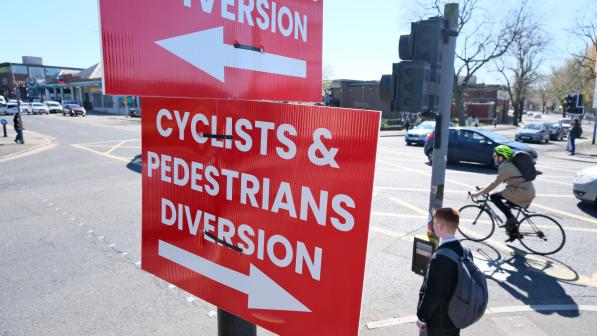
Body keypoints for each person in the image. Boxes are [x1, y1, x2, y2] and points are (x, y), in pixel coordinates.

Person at [417, 208, 467, 336]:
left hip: (439, 320)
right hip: (457, 315)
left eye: (434, 222)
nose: (433, 225)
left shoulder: (440, 258)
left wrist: (422, 317)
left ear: (439, 226)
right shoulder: (465, 250)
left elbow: (433, 293)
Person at [471, 145, 535, 242]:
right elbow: (496, 182)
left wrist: (478, 193)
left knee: (494, 197)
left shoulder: (505, 166)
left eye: (495, 155)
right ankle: (513, 234)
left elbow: (495, 183)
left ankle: (511, 219)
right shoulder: (509, 164)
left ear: (501, 156)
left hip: (522, 192)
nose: (493, 157)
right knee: (506, 208)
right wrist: (483, 189)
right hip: (526, 191)